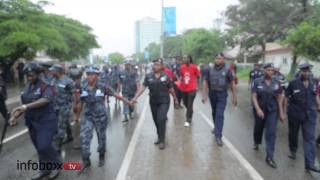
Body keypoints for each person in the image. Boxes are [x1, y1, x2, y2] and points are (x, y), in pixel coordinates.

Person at [9, 62, 60, 180]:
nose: (29, 77)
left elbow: (46, 100)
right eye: (27, 75)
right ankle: (44, 169)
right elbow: (23, 105)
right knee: (39, 148)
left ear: (38, 74)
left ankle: (56, 164)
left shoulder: (46, 85)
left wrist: (25, 107)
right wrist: (14, 116)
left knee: (44, 146)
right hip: (32, 122)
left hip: (46, 121)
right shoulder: (27, 87)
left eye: (32, 75)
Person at [76, 66, 131, 169]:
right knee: (84, 137)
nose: (89, 76)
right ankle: (86, 159)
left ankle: (101, 155)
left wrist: (128, 102)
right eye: (88, 74)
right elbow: (81, 101)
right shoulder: (83, 85)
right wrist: (77, 116)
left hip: (100, 116)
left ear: (97, 75)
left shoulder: (102, 86)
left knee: (101, 137)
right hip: (88, 116)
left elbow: (115, 94)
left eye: (92, 74)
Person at [131, 58, 179, 150]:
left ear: (161, 66)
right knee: (156, 120)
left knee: (161, 119)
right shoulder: (148, 76)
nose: (155, 66)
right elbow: (143, 88)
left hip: (164, 101)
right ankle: (159, 135)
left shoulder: (166, 76)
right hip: (153, 102)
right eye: (154, 64)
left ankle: (162, 140)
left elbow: (171, 89)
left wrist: (175, 99)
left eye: (157, 64)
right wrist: (135, 97)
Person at [285, 63, 320, 173]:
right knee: (293, 133)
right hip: (295, 114)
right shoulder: (293, 83)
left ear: (310, 72)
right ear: (300, 72)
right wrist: (284, 111)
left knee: (310, 139)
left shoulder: (314, 83)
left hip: (310, 115)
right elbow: (286, 97)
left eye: (307, 71)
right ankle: (293, 150)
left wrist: (318, 105)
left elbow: (316, 95)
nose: (306, 73)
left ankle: (309, 164)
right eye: (304, 71)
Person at [251, 63, 285, 169]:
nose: (271, 72)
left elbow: (279, 98)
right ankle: (257, 142)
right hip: (260, 110)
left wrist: (281, 113)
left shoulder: (277, 83)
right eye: (268, 70)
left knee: (271, 133)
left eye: (272, 70)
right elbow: (254, 96)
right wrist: (257, 109)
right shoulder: (257, 81)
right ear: (264, 70)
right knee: (258, 129)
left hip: (272, 111)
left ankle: (269, 157)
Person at [202, 53, 237, 146]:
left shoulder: (228, 70)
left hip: (222, 94)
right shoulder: (209, 69)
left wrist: (234, 97)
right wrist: (204, 95)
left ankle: (218, 136)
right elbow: (205, 82)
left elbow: (233, 83)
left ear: (223, 60)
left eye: (219, 58)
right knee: (214, 112)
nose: (217, 60)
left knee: (219, 114)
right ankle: (216, 127)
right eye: (216, 58)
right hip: (212, 94)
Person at [49, 64, 75, 152]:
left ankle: (57, 146)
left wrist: (73, 108)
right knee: (64, 122)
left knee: (60, 125)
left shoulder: (68, 81)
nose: (51, 72)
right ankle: (70, 136)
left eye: (53, 70)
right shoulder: (52, 80)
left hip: (64, 106)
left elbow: (74, 94)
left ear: (58, 71)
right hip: (55, 105)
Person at [180, 55, 200, 127]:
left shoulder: (194, 67)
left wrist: (196, 85)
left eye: (186, 58)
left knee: (189, 104)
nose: (184, 59)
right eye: (183, 58)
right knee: (185, 103)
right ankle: (190, 111)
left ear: (189, 59)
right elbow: (182, 76)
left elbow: (198, 77)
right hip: (184, 89)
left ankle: (188, 120)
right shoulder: (182, 67)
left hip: (192, 89)